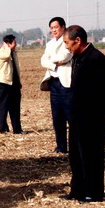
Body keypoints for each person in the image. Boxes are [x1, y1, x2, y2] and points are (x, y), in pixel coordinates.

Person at [63, 25, 105, 202]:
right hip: (77, 116)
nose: (66, 47)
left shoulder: (95, 59)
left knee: (91, 155)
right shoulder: (78, 58)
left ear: (78, 40)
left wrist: (98, 111)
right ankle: (77, 190)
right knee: (76, 155)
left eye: (67, 42)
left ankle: (93, 192)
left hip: (92, 117)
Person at [40, 17, 72, 153]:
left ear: (63, 27)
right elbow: (43, 60)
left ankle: (75, 145)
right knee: (57, 117)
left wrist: (51, 61)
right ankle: (61, 146)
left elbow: (65, 56)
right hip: (54, 82)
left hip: (66, 83)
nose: (53, 30)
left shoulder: (68, 40)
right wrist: (54, 63)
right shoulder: (50, 44)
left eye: (56, 27)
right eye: (51, 28)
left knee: (70, 115)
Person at [0, 35, 23, 134]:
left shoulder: (14, 53)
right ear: (8, 43)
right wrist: (8, 47)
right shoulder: (0, 52)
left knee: (15, 107)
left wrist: (19, 81)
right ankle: (3, 129)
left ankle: (17, 129)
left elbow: (16, 68)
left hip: (14, 84)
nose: (16, 45)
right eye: (14, 43)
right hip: (4, 83)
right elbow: (6, 56)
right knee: (3, 107)